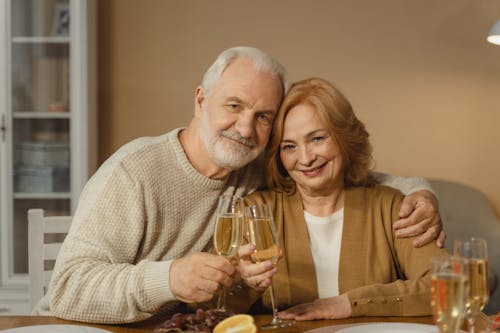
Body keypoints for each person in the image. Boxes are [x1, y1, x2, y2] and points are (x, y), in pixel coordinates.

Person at [35, 47, 442, 324]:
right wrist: (169, 279)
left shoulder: (253, 168)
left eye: (264, 116)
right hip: (83, 326)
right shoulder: (134, 173)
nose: (246, 128)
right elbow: (68, 289)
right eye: (234, 105)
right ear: (200, 101)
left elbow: (349, 180)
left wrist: (422, 191)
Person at [236, 77, 448, 319]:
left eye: (317, 138)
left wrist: (352, 304)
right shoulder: (254, 211)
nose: (305, 159)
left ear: (344, 138)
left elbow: (449, 287)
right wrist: (245, 284)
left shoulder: (391, 207)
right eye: (289, 147)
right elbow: (212, 305)